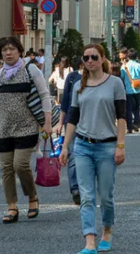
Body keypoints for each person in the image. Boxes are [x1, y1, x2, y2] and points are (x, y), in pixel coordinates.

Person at [0, 36, 52, 223]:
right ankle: (12, 206)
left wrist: (47, 123)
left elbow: (44, 95)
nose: (8, 53)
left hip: (27, 127)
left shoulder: (31, 70)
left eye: (11, 49)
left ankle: (32, 197)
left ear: (19, 51)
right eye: (4, 50)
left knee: (20, 165)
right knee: (7, 168)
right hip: (3, 129)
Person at [60, 44, 127, 254]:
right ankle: (89, 241)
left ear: (102, 58)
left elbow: (122, 117)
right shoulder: (79, 85)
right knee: (86, 196)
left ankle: (107, 231)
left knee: (106, 196)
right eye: (86, 58)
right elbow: (72, 117)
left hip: (107, 146)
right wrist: (64, 146)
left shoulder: (115, 83)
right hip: (82, 145)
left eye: (94, 57)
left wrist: (120, 146)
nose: (90, 61)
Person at [57, 56, 83, 205]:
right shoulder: (72, 78)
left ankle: (86, 187)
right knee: (72, 153)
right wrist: (60, 122)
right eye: (85, 59)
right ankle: (75, 189)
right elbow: (65, 101)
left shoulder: (99, 78)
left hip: (91, 123)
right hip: (72, 122)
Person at [121, 49, 140, 133]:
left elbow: (122, 77)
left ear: (128, 57)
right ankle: (136, 123)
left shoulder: (124, 66)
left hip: (128, 90)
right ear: (136, 56)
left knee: (128, 109)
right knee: (137, 108)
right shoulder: (139, 66)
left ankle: (129, 128)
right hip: (138, 89)